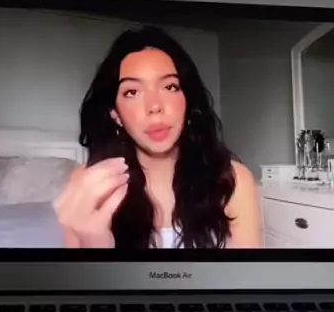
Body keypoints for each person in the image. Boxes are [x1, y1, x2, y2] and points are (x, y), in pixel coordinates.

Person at [53, 25, 263, 249]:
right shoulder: (87, 185)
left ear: (188, 101)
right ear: (116, 114)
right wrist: (96, 244)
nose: (154, 106)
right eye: (132, 92)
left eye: (170, 87)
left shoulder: (233, 181)